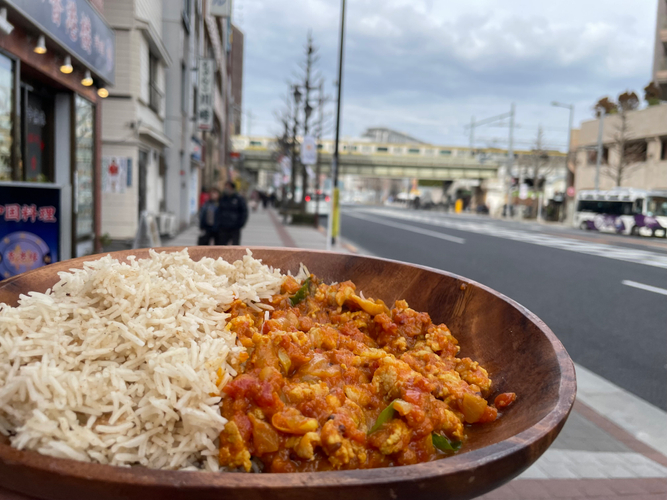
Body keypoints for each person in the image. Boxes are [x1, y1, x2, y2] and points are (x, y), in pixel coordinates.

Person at [215, 181, 248, 245]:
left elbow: (244, 212)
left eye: (228, 187)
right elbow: (218, 211)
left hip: (235, 228)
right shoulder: (223, 198)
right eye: (225, 187)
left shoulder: (238, 199)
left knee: (235, 246)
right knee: (222, 246)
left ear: (232, 188)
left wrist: (241, 224)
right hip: (223, 227)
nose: (226, 189)